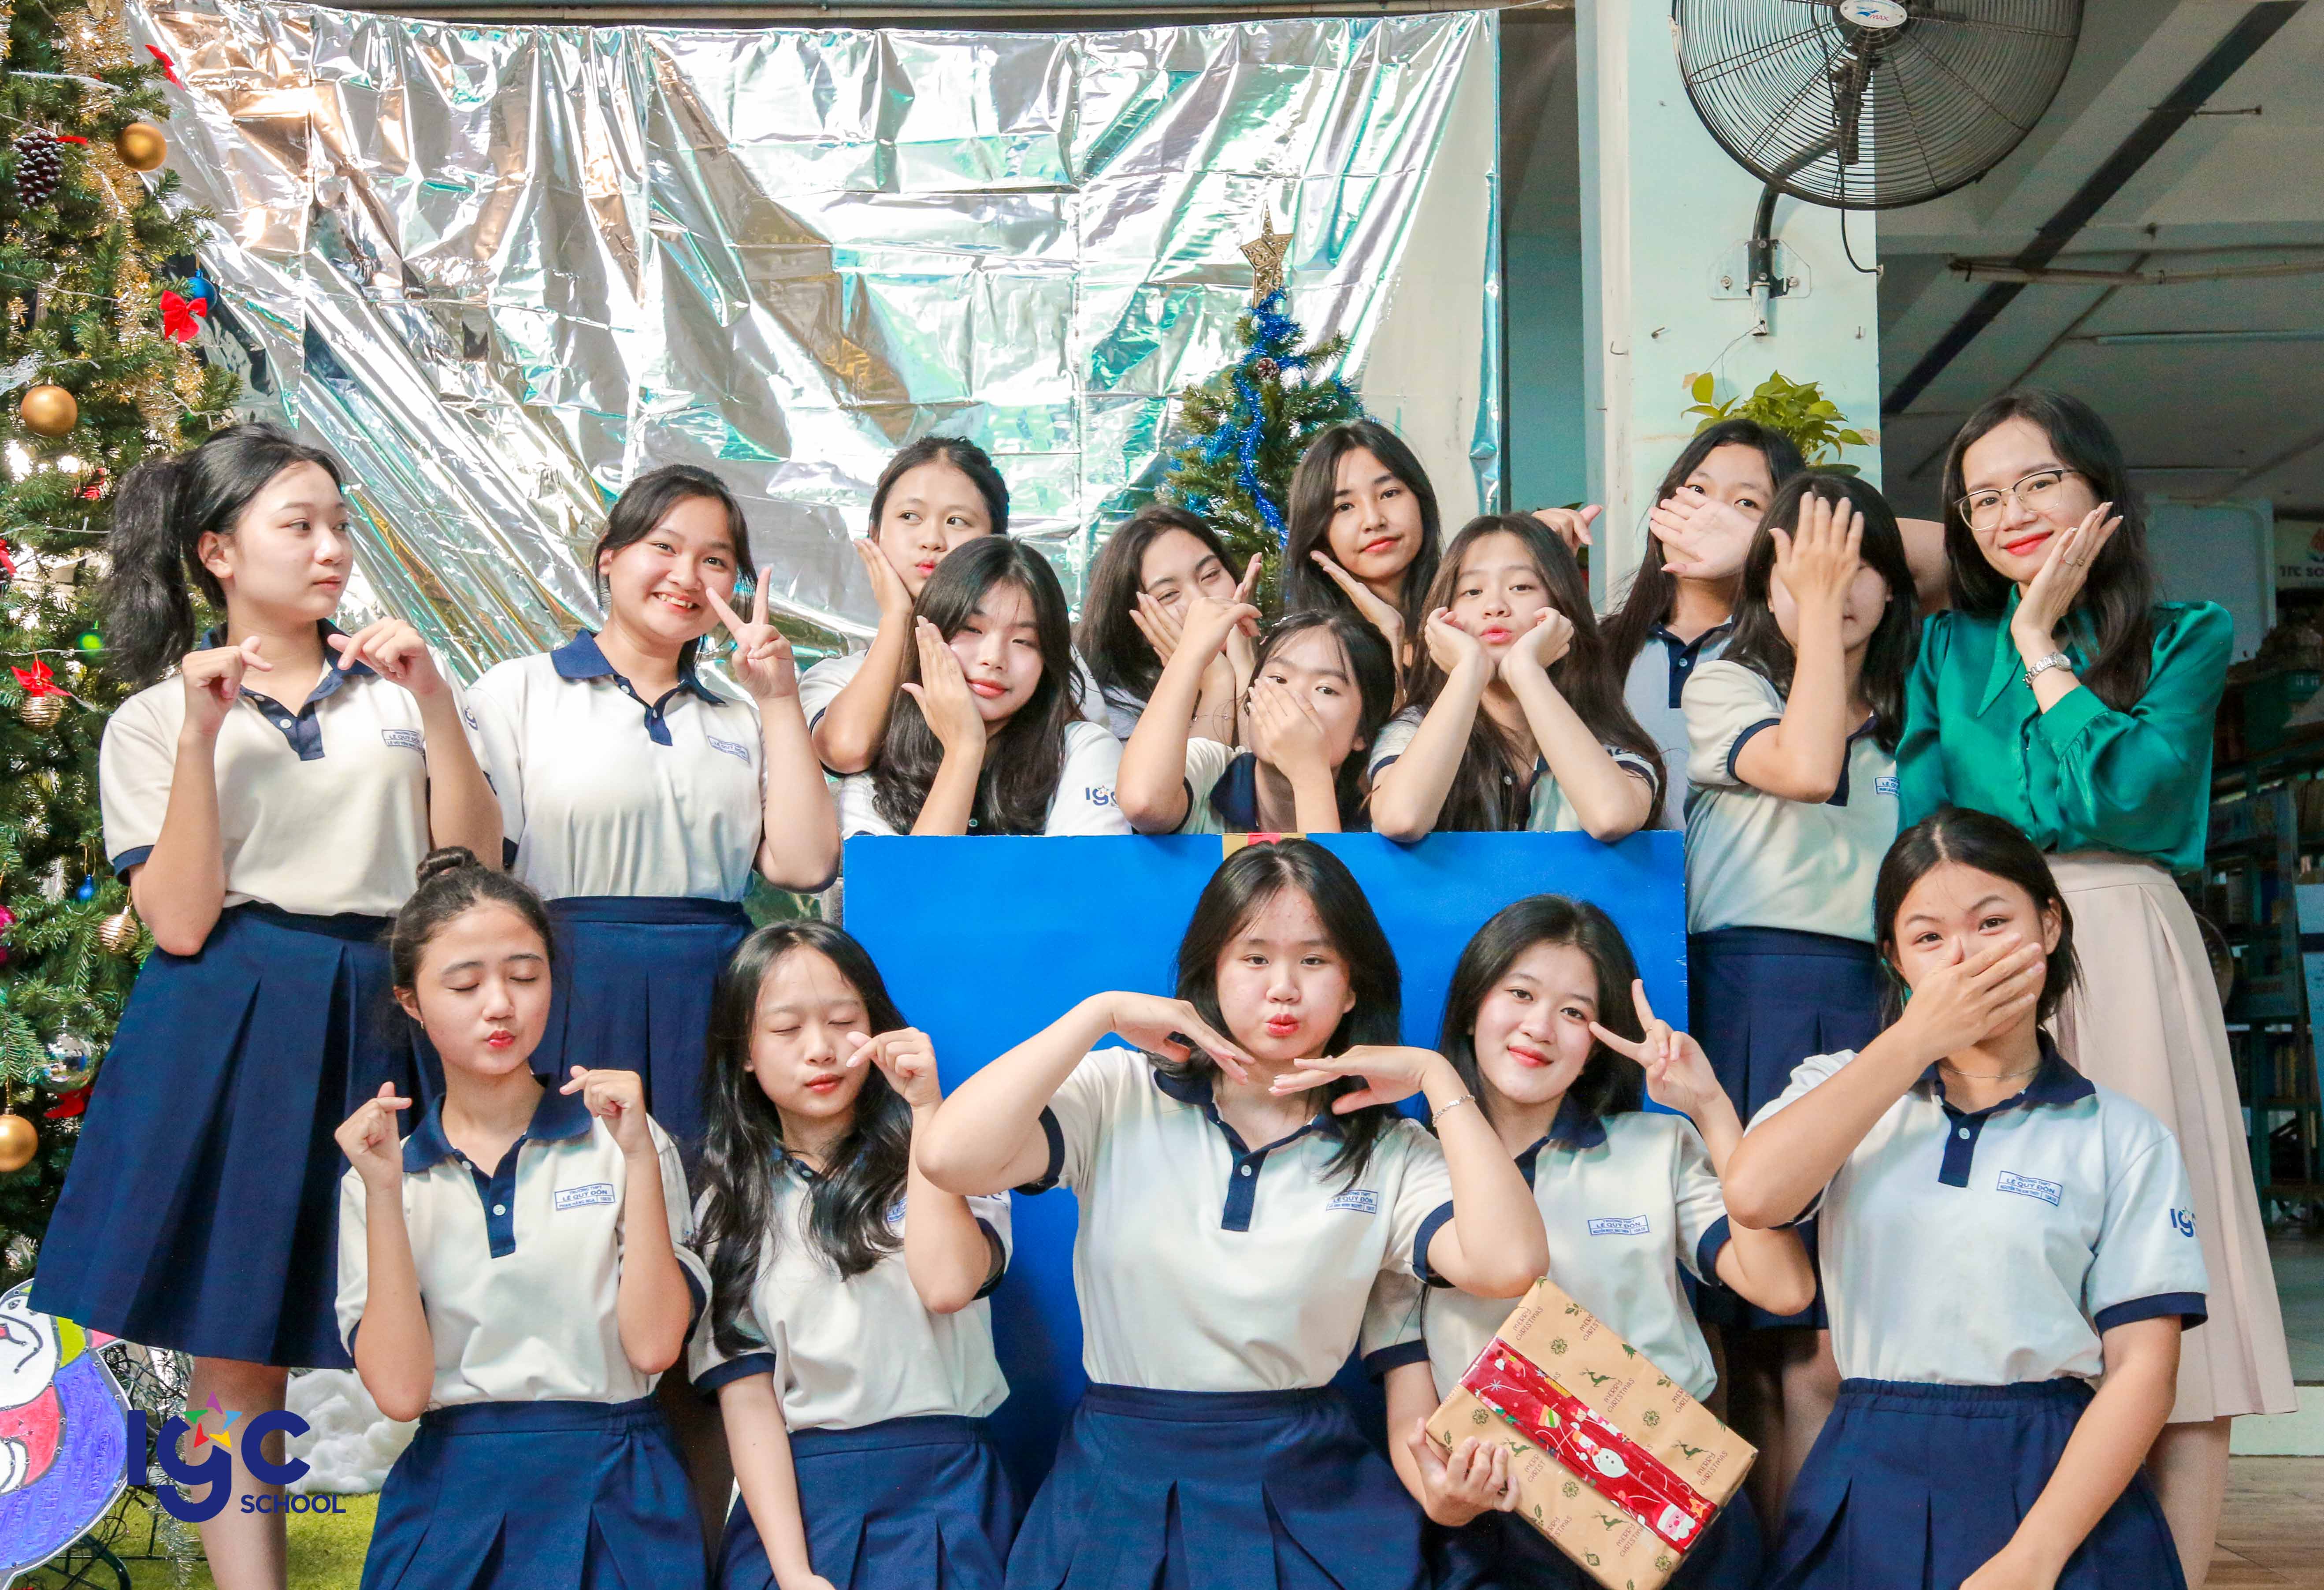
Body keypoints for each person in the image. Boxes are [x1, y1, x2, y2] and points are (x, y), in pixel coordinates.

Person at [30, 425, 501, 1590]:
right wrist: (201, 734)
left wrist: (436, 702)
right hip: (232, 1016)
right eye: (300, 525)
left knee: (454, 1305)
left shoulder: (396, 691)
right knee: (236, 1345)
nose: (331, 548)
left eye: (340, 525)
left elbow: (474, 869)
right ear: (219, 551)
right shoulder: (155, 718)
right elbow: (181, 921)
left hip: (391, 1003)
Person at [914, 840, 1548, 1590]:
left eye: (1314, 960)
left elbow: (1509, 1264)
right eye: (1253, 957)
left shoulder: (1390, 1149)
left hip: (1304, 1479)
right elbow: (948, 1157)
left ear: (1351, 988)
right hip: (1118, 1479)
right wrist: (1097, 1015)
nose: (1283, 989)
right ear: (1211, 973)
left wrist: (1438, 1079)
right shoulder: (1117, 1092)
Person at [1900, 387, 2294, 1585]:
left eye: (2039, 482)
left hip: (2122, 936)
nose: (2011, 513)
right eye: (1982, 498)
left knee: (2165, 1267)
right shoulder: (1941, 647)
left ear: (2098, 491)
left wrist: (2039, 644)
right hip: (1979, 944)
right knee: (2005, 1257)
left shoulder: (2185, 633)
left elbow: (2133, 794)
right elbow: (1924, 822)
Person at [1725, 808, 2208, 1590]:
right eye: (1927, 937)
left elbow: (2143, 1371)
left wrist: (2034, 1555)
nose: (1964, 957)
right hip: (1869, 1464)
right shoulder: (1837, 1089)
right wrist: (1916, 1039)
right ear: (1893, 958)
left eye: (1992, 923)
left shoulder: (2121, 1135)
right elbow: (1753, 1195)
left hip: (2049, 1467)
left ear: (2048, 925)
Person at [1370, 895, 1815, 1589]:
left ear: (1598, 1042)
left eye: (1574, 1012)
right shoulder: (1409, 1166)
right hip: (1508, 1523)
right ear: (1472, 1006)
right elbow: (1409, 1402)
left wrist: (1709, 1106)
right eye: (1520, 994)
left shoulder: (1656, 1146)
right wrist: (1444, 1499)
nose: (1539, 1028)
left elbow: (1783, 1288)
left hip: (1675, 1502)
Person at [334, 849, 709, 1590]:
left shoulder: (625, 1139)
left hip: (619, 1485)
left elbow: (655, 1345)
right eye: (465, 984)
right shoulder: (380, 1174)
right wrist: (381, 1192)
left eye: (525, 976)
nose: (499, 1004)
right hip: (452, 1496)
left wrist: (637, 1156)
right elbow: (400, 1394)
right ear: (411, 1001)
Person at [465, 464, 838, 1152]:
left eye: (715, 560)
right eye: (664, 547)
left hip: (714, 995)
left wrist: (780, 698)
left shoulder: (739, 718)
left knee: (708, 1189)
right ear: (610, 556)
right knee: (573, 1185)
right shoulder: (517, 692)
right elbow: (478, 867)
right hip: (567, 982)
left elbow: (807, 864)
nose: (687, 576)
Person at [1679, 472, 1917, 1517]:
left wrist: (1799, 550)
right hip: (1746, 998)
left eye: (1856, 565)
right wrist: (1811, 603)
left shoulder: (1915, 710)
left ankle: (1822, 1556)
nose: (1833, 585)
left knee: (1828, 1335)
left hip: (1877, 1003)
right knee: (1742, 1321)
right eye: (1802, 567)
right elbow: (1809, 766)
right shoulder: (1724, 684)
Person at [689, 923, 1017, 1590]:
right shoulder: (728, 1205)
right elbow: (748, 1404)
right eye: (787, 1029)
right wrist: (792, 1572)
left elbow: (948, 1286)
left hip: (949, 1491)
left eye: (844, 1022)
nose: (822, 1049)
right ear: (745, 1051)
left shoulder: (956, 1155)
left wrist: (927, 1113)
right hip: (803, 1508)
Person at [1369, 514, 1661, 841]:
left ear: (1561, 606)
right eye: (1472, 591)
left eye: (1521, 587)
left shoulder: (1605, 737)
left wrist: (1526, 672)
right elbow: (1401, 820)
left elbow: (1611, 818)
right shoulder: (1413, 729)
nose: (1495, 606)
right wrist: (1469, 672)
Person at [832, 536, 1127, 839]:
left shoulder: (1083, 751)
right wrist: (964, 751)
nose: (994, 658)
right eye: (971, 629)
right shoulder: (875, 771)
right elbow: (920, 873)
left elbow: (1090, 872)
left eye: (1024, 641)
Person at [1600, 420, 1806, 829]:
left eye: (1746, 503)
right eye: (1697, 490)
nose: (1711, 515)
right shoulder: (1600, 645)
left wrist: (1760, 550)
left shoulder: (1801, 644)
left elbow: (1937, 559)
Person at [803, 438, 1012, 774]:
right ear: (875, 534)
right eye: (910, 516)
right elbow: (847, 749)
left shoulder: (1028, 661)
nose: (932, 541)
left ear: (996, 543)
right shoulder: (839, 679)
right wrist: (898, 617)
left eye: (957, 521)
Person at [1117, 602, 1396, 836]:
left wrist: (1310, 775)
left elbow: (1322, 886)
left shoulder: (1377, 819)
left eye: (1326, 689)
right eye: (1278, 679)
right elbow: (1143, 804)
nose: (1291, 698)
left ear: (1362, 732)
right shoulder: (1213, 770)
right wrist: (1190, 656)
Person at [1076, 502, 1255, 742]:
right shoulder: (1114, 713)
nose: (1202, 601)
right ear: (1132, 623)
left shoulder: (1281, 666)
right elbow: (1213, 770)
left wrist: (1245, 668)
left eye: (1211, 575)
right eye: (1169, 595)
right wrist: (1215, 679)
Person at [1281, 420, 1444, 668]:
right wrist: (1390, 633)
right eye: (1345, 507)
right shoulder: (1310, 654)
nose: (1373, 520)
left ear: (1421, 503)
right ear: (1321, 538)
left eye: (1389, 493)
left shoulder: (1471, 618)